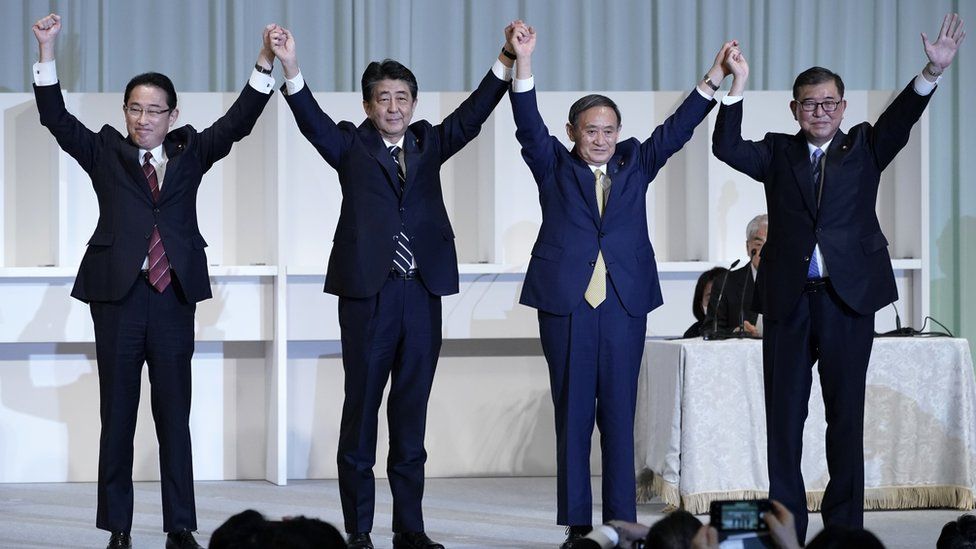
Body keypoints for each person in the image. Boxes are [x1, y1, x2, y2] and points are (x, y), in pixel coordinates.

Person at [712, 12, 966, 544]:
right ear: (795, 109)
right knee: (784, 421)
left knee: (844, 417)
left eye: (829, 103)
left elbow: (902, 118)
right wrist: (735, 86)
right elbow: (726, 147)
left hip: (848, 299)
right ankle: (785, 530)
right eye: (810, 103)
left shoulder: (865, 146)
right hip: (786, 301)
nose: (820, 111)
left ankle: (845, 531)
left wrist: (931, 72)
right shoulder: (779, 151)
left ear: (843, 108)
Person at [31, 13, 278, 549]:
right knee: (116, 417)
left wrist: (265, 62)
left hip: (172, 298)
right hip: (116, 298)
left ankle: (180, 527)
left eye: (154, 110)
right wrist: (47, 51)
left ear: (172, 114)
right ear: (124, 112)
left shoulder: (190, 152)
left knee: (174, 416)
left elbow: (238, 122)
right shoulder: (104, 152)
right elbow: (54, 117)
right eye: (135, 109)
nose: (144, 119)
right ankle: (118, 527)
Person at [269, 23, 517, 549]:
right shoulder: (350, 146)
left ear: (413, 102)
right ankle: (359, 530)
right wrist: (290, 67)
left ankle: (410, 527)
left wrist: (506, 58)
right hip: (369, 296)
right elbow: (309, 119)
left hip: (421, 293)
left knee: (411, 413)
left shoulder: (428, 143)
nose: (394, 107)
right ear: (367, 105)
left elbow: (472, 116)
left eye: (402, 98)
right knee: (361, 411)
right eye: (383, 98)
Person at [506, 22, 738, 546]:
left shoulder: (636, 164)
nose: (602, 139)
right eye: (591, 130)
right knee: (572, 416)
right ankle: (577, 526)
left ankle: (620, 524)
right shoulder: (552, 166)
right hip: (567, 305)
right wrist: (523, 62)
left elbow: (677, 130)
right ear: (572, 132)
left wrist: (715, 77)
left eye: (609, 130)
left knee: (618, 414)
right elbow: (526, 124)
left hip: (623, 305)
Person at [713, 214, 767, 336]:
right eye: (759, 245)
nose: (764, 252)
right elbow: (711, 328)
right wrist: (736, 332)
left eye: (770, 245)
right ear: (748, 247)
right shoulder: (725, 283)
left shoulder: (795, 283)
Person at [684, 266, 728, 338]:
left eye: (724, 297)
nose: (719, 304)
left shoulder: (747, 330)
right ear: (701, 305)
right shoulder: (692, 334)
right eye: (711, 298)